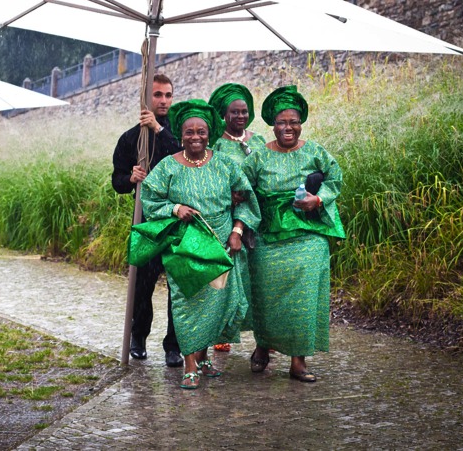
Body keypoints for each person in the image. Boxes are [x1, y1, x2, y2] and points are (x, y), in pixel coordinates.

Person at [140, 99, 260, 389]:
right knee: (186, 303)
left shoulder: (225, 165)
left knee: (215, 304)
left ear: (210, 134)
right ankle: (189, 363)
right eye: (189, 132)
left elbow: (246, 198)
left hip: (221, 243)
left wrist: (237, 230)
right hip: (185, 245)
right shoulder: (168, 166)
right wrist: (174, 208)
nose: (196, 137)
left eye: (202, 132)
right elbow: (149, 197)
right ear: (180, 134)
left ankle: (203, 356)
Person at [242, 85, 346, 382]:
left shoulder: (315, 151)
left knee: (303, 297)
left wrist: (319, 199)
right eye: (281, 122)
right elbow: (241, 186)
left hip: (306, 234)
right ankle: (263, 346)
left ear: (301, 123)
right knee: (266, 295)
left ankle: (298, 361)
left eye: (294, 122)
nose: (288, 128)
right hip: (267, 236)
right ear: (271, 125)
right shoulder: (258, 156)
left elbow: (335, 179)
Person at [111, 73, 183, 367]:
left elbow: (182, 156)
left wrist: (158, 130)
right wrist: (131, 177)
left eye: (168, 95)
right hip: (145, 219)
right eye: (157, 95)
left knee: (178, 285)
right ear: (146, 98)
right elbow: (116, 180)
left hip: (178, 218)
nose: (163, 100)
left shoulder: (182, 132)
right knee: (142, 283)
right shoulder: (130, 139)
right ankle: (138, 338)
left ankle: (174, 346)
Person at [207, 82, 266, 352]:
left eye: (244, 112)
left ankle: (264, 337)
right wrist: (225, 195)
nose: (240, 117)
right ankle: (223, 331)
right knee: (231, 276)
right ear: (224, 114)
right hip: (227, 218)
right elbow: (209, 176)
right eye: (234, 112)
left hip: (257, 217)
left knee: (259, 277)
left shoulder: (258, 141)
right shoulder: (216, 143)